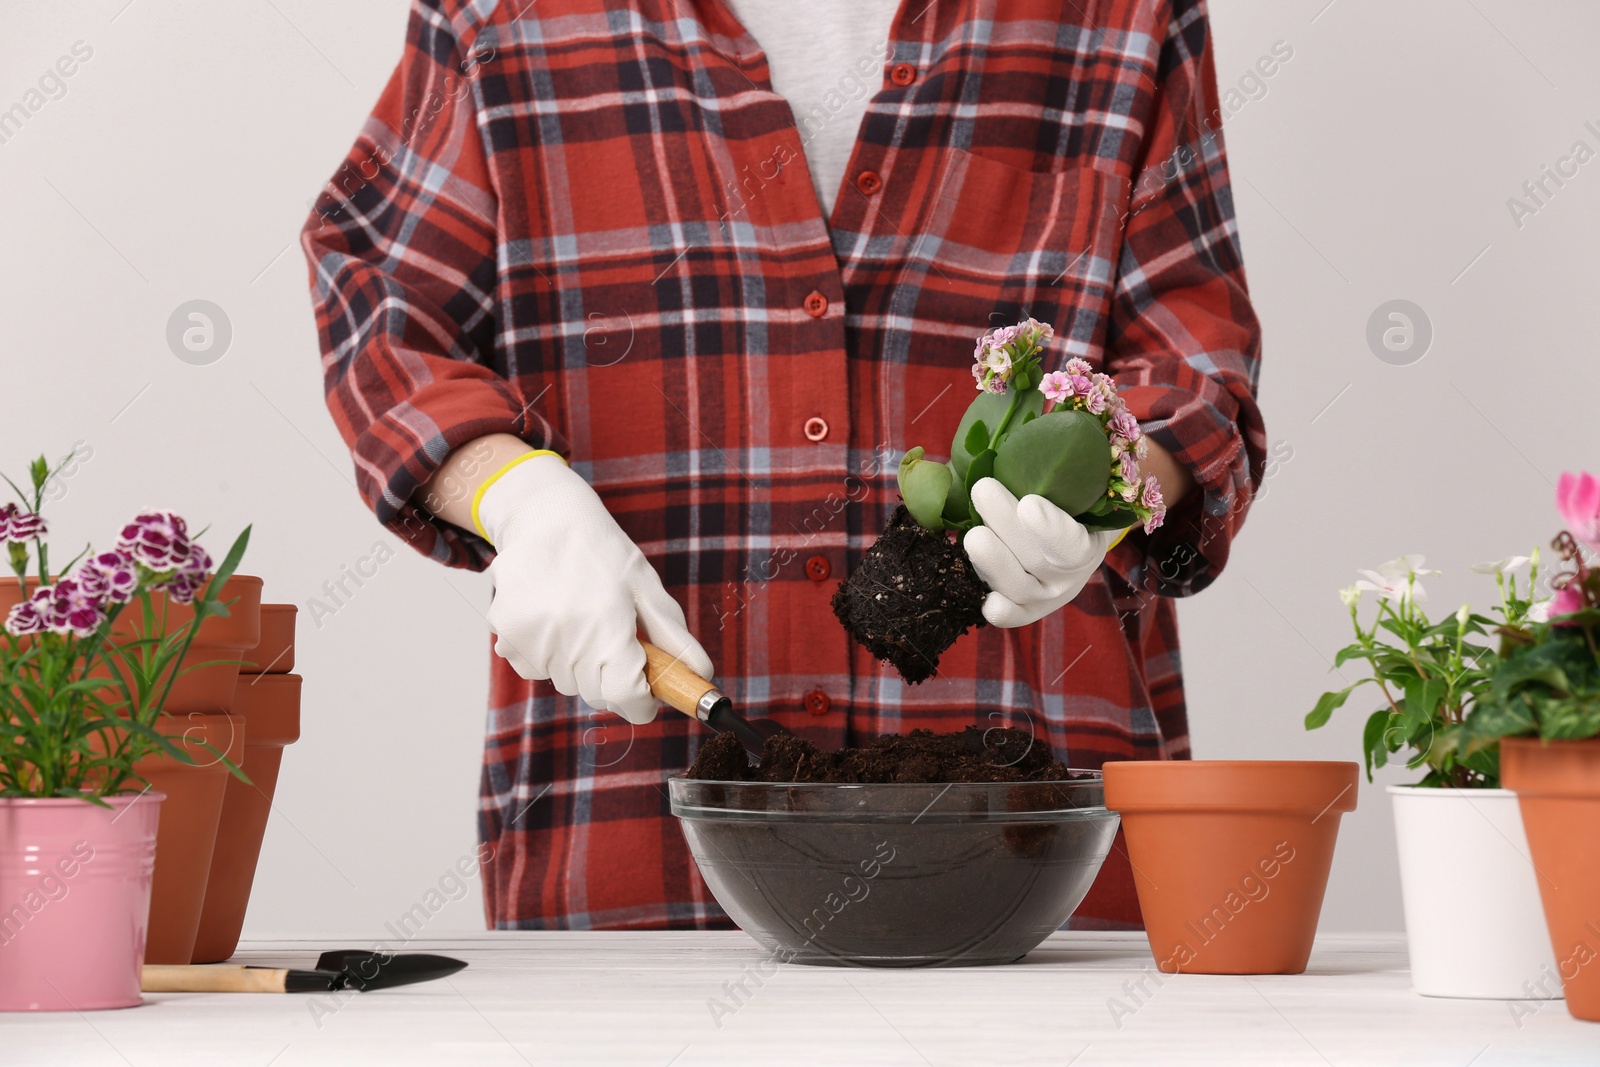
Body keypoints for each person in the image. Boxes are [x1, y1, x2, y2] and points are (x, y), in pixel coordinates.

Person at [301, 0, 1264, 931]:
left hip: (1026, 877)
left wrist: (1110, 483)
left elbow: (1192, 368)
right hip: (630, 867)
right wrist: (511, 492)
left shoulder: (1123, 10)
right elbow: (379, 288)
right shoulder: (497, 10)